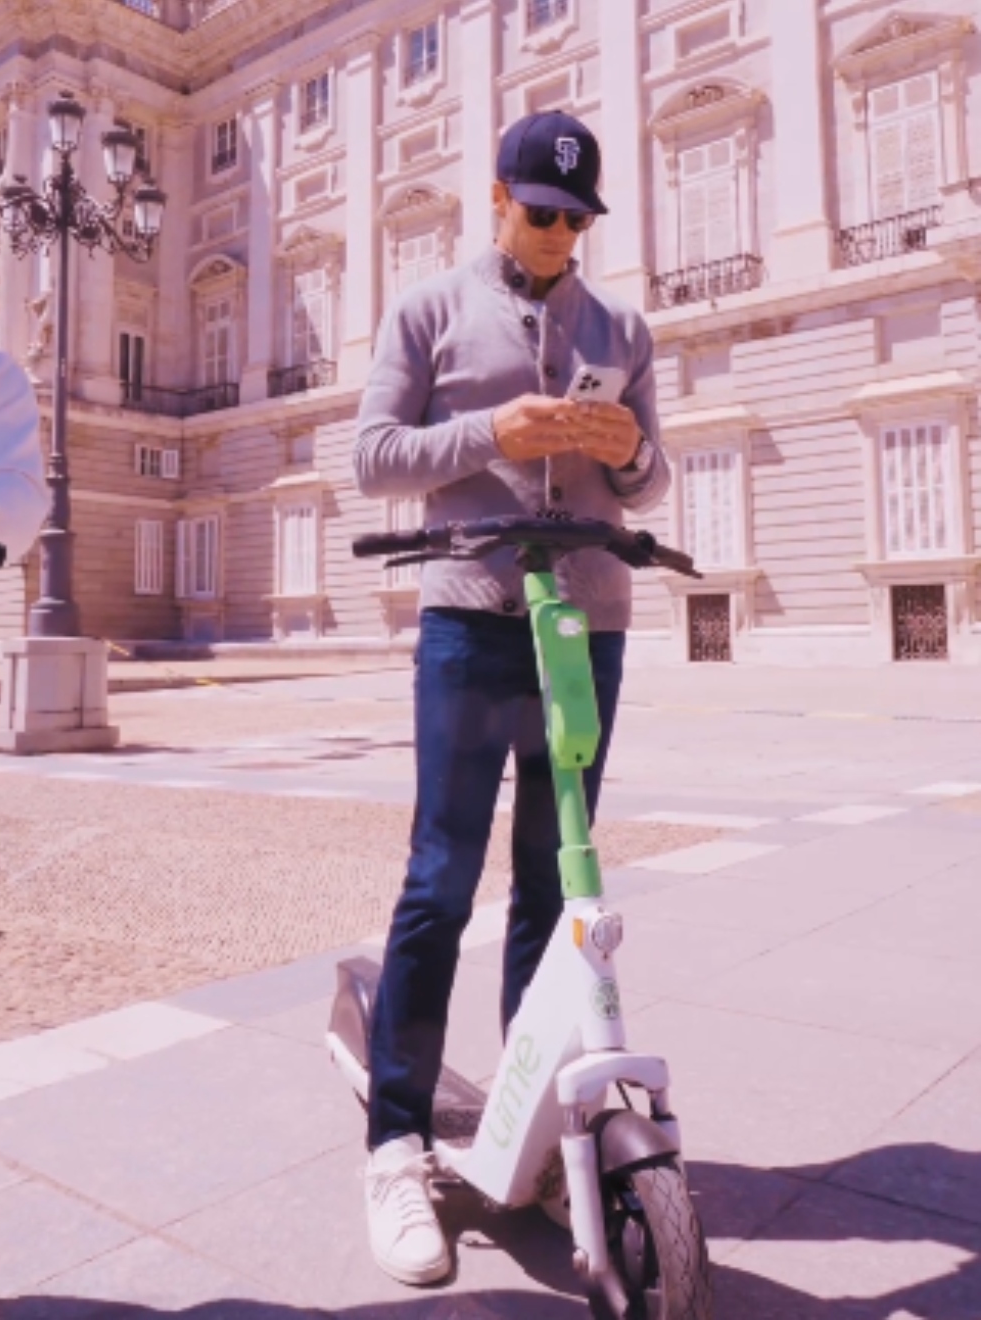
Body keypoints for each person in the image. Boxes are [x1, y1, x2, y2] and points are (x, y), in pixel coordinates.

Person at [350, 109, 669, 1287]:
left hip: (589, 621)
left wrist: (626, 446)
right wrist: (498, 429)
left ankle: (531, 1137)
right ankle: (394, 1145)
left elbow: (656, 475)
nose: (556, 237)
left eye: (576, 220)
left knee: (554, 878)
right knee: (440, 879)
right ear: (499, 196)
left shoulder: (624, 325)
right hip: (471, 619)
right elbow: (374, 455)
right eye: (541, 213)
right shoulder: (429, 309)